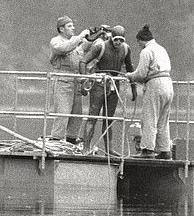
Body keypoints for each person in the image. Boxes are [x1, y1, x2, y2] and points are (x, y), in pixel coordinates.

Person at [79, 24, 137, 155]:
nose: (118, 43)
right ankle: (86, 148)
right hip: (99, 83)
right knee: (92, 117)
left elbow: (129, 68)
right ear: (111, 37)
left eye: (120, 40)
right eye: (116, 39)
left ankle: (109, 150)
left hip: (114, 84)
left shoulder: (126, 49)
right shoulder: (101, 46)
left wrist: (133, 88)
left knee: (108, 119)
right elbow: (83, 61)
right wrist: (83, 81)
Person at [124, 24, 173, 159]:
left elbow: (141, 73)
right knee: (163, 119)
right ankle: (164, 150)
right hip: (168, 84)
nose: (138, 45)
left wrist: (130, 76)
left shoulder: (147, 51)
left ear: (141, 40)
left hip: (155, 84)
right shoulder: (161, 49)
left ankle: (147, 149)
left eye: (138, 42)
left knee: (149, 117)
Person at [48, 15, 91, 143]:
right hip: (62, 81)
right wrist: (82, 35)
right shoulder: (56, 42)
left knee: (77, 114)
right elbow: (65, 48)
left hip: (76, 81)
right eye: (69, 26)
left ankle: (72, 139)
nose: (73, 28)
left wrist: (98, 34)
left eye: (72, 25)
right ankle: (57, 139)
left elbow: (87, 46)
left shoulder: (76, 42)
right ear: (61, 29)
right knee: (63, 113)